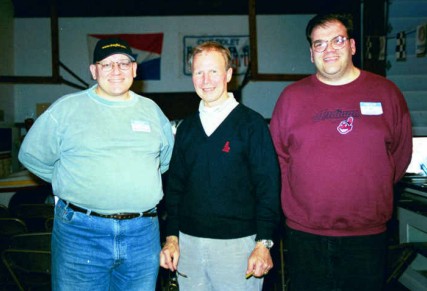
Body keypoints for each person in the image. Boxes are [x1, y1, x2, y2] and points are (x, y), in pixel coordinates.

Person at [270, 13, 413, 291]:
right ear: (311, 54)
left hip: (367, 236)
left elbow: (400, 154)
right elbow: (278, 159)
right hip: (305, 235)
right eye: (319, 44)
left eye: (337, 40)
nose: (329, 49)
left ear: (352, 46)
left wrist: (369, 188)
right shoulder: (291, 98)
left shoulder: (386, 92)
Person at [18, 37, 174, 290]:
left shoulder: (152, 111)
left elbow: (163, 162)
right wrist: (71, 181)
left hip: (142, 234)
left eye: (123, 64)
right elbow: (31, 156)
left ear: (135, 69)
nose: (116, 71)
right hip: (81, 232)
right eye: (107, 64)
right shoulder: (66, 109)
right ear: (94, 71)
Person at [159, 41, 280, 290]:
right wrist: (172, 237)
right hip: (189, 247)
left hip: (239, 247)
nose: (206, 80)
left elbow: (268, 188)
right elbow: (175, 189)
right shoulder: (186, 129)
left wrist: (263, 243)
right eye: (198, 72)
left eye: (213, 71)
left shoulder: (251, 125)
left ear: (228, 74)